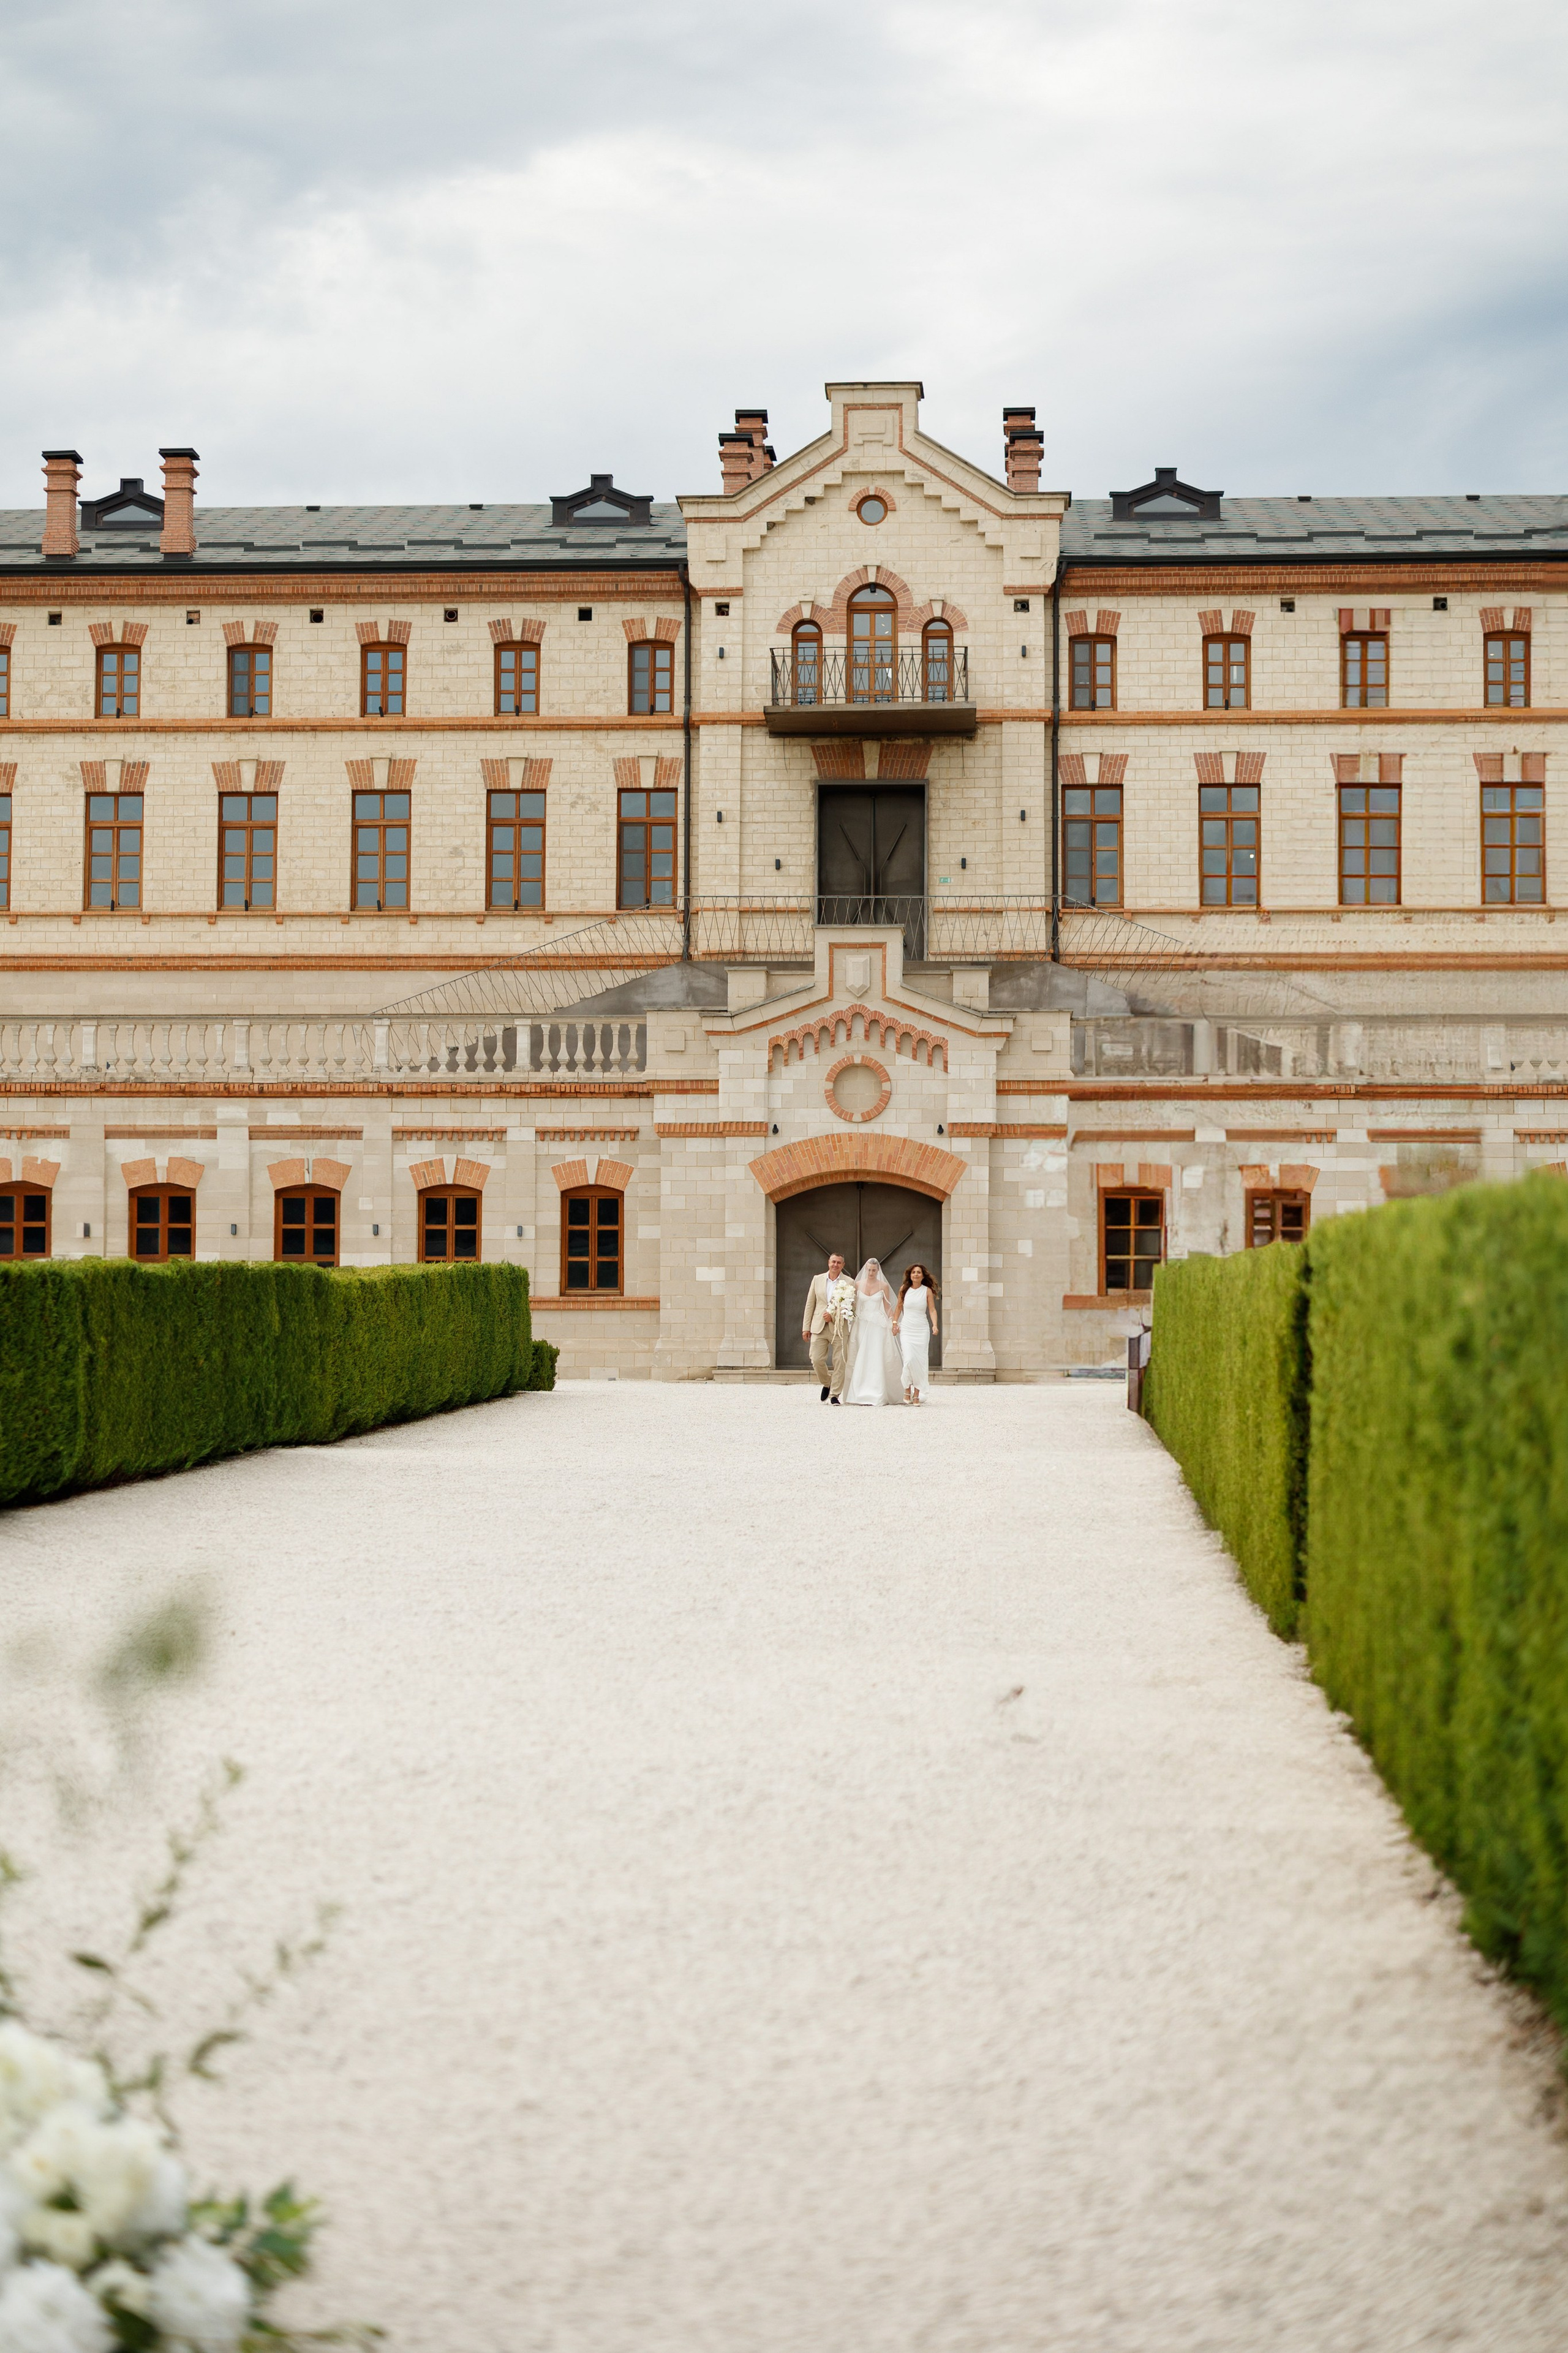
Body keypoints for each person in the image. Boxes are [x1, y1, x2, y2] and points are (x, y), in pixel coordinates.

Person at [840, 1258, 905, 1407]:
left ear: (878, 1271)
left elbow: (888, 1306)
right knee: (858, 1357)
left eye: (874, 1270)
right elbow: (852, 1304)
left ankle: (877, 1392)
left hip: (877, 1325)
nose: (871, 1273)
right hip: (861, 1324)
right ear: (866, 1269)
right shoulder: (857, 1285)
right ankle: (856, 1392)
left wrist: (893, 1322)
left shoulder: (884, 1286)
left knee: (876, 1357)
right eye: (869, 1270)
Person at [802, 1250, 856, 1403]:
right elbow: (810, 1304)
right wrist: (806, 1327)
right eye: (833, 1262)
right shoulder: (817, 1279)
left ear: (843, 1265)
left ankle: (835, 1395)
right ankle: (827, 1382)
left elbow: (852, 1308)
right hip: (818, 1326)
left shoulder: (849, 1283)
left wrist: (834, 1315)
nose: (835, 1265)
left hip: (839, 1328)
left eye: (839, 1262)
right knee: (816, 1359)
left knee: (840, 1361)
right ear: (829, 1262)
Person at [896, 1263, 938, 1404]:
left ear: (923, 1275)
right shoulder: (904, 1289)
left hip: (922, 1329)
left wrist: (935, 1325)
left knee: (920, 1361)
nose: (916, 1274)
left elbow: (932, 1310)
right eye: (913, 1272)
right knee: (908, 1359)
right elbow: (899, 1307)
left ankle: (917, 1393)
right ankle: (907, 1388)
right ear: (910, 1275)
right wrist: (895, 1323)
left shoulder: (927, 1291)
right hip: (907, 1328)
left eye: (919, 1272)